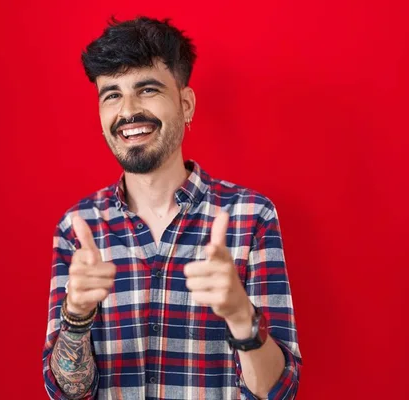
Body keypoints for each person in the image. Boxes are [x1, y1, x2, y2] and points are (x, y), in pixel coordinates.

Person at [42, 16, 301, 400]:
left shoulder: (251, 217)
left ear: (185, 103)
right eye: (112, 94)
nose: (127, 111)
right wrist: (76, 316)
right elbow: (67, 393)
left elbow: (278, 392)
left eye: (147, 89)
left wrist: (241, 318)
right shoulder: (77, 228)